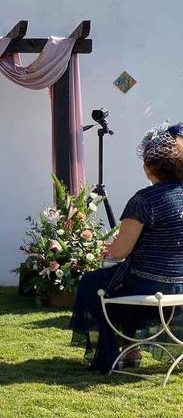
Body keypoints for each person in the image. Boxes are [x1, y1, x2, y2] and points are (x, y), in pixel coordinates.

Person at [70, 122, 183, 373]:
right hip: (180, 283)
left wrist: (108, 249)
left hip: (150, 283)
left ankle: (113, 353)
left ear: (149, 167)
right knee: (117, 282)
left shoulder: (144, 199)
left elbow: (120, 252)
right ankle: (131, 349)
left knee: (92, 283)